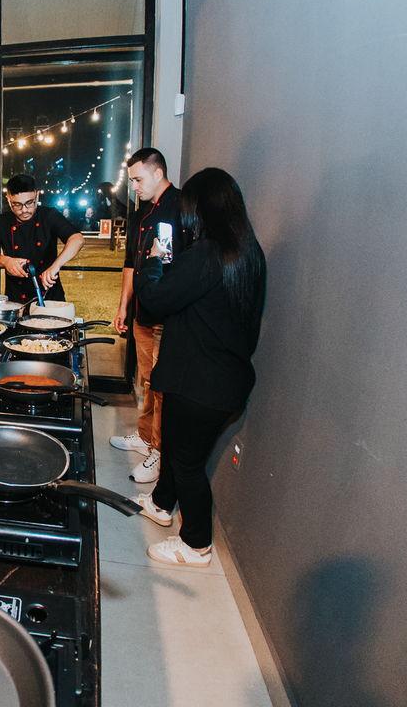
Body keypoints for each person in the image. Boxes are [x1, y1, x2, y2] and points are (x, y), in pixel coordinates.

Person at [133, 168, 266, 568]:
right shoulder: (247, 252)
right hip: (219, 379)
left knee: (186, 463)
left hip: (199, 384)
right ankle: (161, 503)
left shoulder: (208, 254)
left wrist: (154, 260)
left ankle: (196, 544)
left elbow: (155, 297)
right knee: (176, 449)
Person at [110, 149, 184, 484]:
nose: (134, 187)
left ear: (158, 173)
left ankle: (159, 451)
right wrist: (123, 306)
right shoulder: (140, 214)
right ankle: (144, 436)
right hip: (142, 312)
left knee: (163, 386)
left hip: (168, 314)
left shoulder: (181, 207)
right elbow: (130, 264)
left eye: (138, 179)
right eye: (132, 180)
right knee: (148, 381)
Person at [0, 174, 84, 304]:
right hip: (16, 301)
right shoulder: (1, 222)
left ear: (37, 196)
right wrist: (6, 261)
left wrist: (56, 266)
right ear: (8, 199)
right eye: (17, 205)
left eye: (29, 203)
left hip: (51, 298)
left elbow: (77, 239)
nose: (24, 210)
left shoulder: (49, 216)